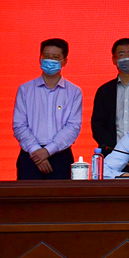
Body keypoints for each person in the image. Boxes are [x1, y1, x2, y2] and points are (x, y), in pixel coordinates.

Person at [12, 38, 82, 180]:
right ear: (40, 59)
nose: (50, 60)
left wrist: (47, 151)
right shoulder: (25, 89)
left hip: (61, 157)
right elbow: (19, 125)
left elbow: (73, 127)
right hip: (30, 156)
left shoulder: (74, 92)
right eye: (46, 56)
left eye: (55, 57)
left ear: (64, 61)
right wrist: (37, 151)